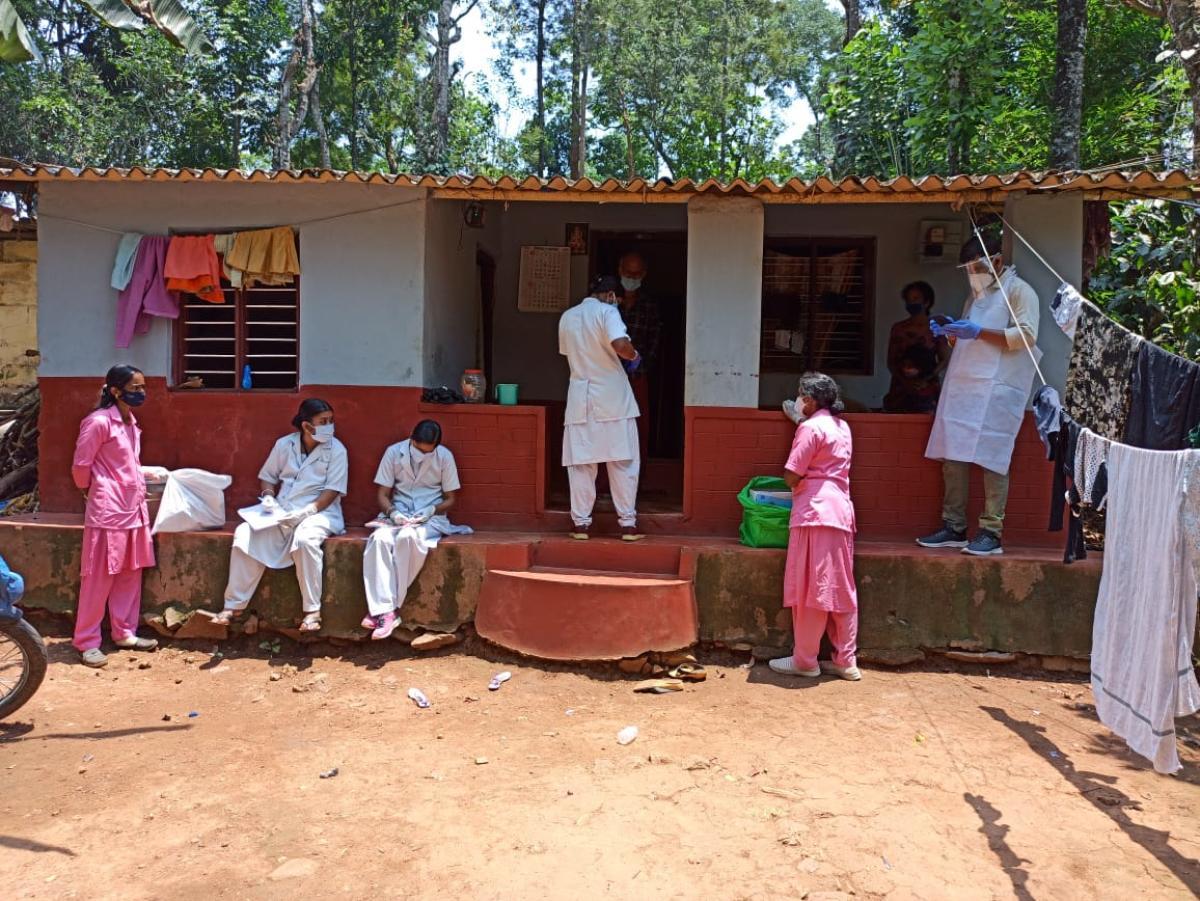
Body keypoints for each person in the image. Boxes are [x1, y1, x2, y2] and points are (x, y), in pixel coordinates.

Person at [918, 231, 1041, 557]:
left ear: (996, 262)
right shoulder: (976, 296)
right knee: (953, 455)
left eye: (976, 268)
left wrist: (978, 332)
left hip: (998, 389)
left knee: (992, 457)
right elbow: (969, 336)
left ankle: (991, 531)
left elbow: (1027, 336)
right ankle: (954, 526)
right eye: (968, 270)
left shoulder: (1020, 291)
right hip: (965, 388)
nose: (972, 275)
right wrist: (952, 332)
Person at [213, 398, 348, 631]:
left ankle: (312, 611)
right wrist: (268, 496)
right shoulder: (284, 445)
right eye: (323, 422)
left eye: (331, 421)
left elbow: (332, 490)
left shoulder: (337, 450)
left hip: (320, 512)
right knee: (244, 533)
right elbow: (268, 475)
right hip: (282, 510)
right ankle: (233, 606)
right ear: (307, 426)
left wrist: (307, 512)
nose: (330, 426)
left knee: (305, 541)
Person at [71, 364, 163, 668]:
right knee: (98, 576)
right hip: (107, 509)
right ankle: (87, 641)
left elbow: (126, 462)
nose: (141, 393)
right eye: (135, 388)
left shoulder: (129, 422)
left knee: (129, 571)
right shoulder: (97, 423)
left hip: (133, 508)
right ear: (115, 390)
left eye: (142, 387)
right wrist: (94, 490)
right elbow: (81, 467)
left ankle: (124, 632)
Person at [769, 373, 860, 681]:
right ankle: (846, 661)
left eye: (800, 396)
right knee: (841, 589)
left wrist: (800, 425)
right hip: (841, 513)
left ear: (808, 400)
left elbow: (792, 474)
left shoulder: (810, 427)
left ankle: (805, 660)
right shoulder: (842, 426)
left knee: (812, 589)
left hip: (814, 512)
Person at [361, 419, 471, 640]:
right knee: (379, 539)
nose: (422, 456)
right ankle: (388, 611)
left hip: (429, 517)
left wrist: (431, 510)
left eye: (427, 452)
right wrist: (393, 513)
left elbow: (450, 499)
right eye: (418, 450)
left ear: (436, 447)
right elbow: (382, 493)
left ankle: (385, 611)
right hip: (398, 512)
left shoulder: (445, 457)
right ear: (411, 439)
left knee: (409, 539)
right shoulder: (393, 453)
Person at [558, 274, 644, 541]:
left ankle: (580, 525)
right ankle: (627, 524)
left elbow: (569, 354)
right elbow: (620, 344)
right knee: (623, 462)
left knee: (582, 465)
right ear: (610, 296)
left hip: (581, 399)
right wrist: (634, 355)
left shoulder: (568, 317)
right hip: (613, 399)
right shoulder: (608, 312)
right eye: (617, 298)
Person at [617, 252, 661, 460]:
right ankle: (604, 485)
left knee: (638, 427)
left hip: (637, 377)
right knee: (609, 428)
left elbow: (654, 340)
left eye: (636, 274)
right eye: (628, 273)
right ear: (620, 271)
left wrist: (642, 366)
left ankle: (636, 481)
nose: (631, 278)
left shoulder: (649, 306)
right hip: (608, 376)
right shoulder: (608, 302)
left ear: (643, 275)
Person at [882, 281, 950, 413]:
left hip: (927, 388)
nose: (911, 303)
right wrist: (905, 382)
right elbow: (891, 361)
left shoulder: (936, 328)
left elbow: (944, 359)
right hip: (901, 389)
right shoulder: (898, 328)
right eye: (908, 300)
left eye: (915, 299)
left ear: (927, 302)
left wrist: (927, 379)